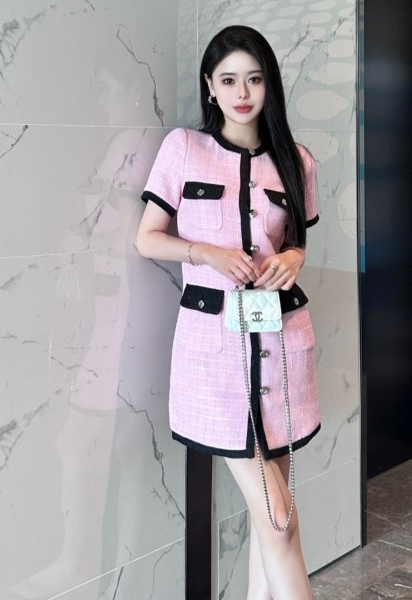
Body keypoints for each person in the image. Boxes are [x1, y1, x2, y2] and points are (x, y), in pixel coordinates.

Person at [136, 25, 319, 600]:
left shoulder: (297, 161)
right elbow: (147, 238)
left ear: (270, 85)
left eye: (255, 79)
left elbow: (296, 242)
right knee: (280, 522)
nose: (243, 92)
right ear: (210, 87)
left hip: (281, 347)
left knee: (274, 526)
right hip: (214, 356)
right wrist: (206, 253)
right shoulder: (184, 149)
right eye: (229, 79)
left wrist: (292, 258)